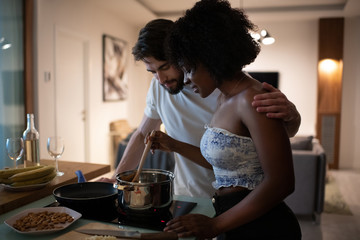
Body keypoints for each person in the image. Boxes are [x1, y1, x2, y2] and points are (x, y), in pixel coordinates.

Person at [99, 17, 301, 200]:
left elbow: (281, 135)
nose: (160, 80)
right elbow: (142, 132)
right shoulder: (158, 87)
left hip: (241, 200)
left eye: (164, 67)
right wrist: (118, 179)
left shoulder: (226, 88)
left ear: (184, 56)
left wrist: (291, 116)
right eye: (152, 72)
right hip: (186, 194)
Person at [147, 0, 301, 239]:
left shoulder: (253, 99)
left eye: (189, 69)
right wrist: (173, 145)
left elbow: (281, 182)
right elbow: (225, 166)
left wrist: (215, 226)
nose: (186, 79)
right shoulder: (224, 100)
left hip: (264, 226)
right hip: (233, 219)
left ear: (210, 58)